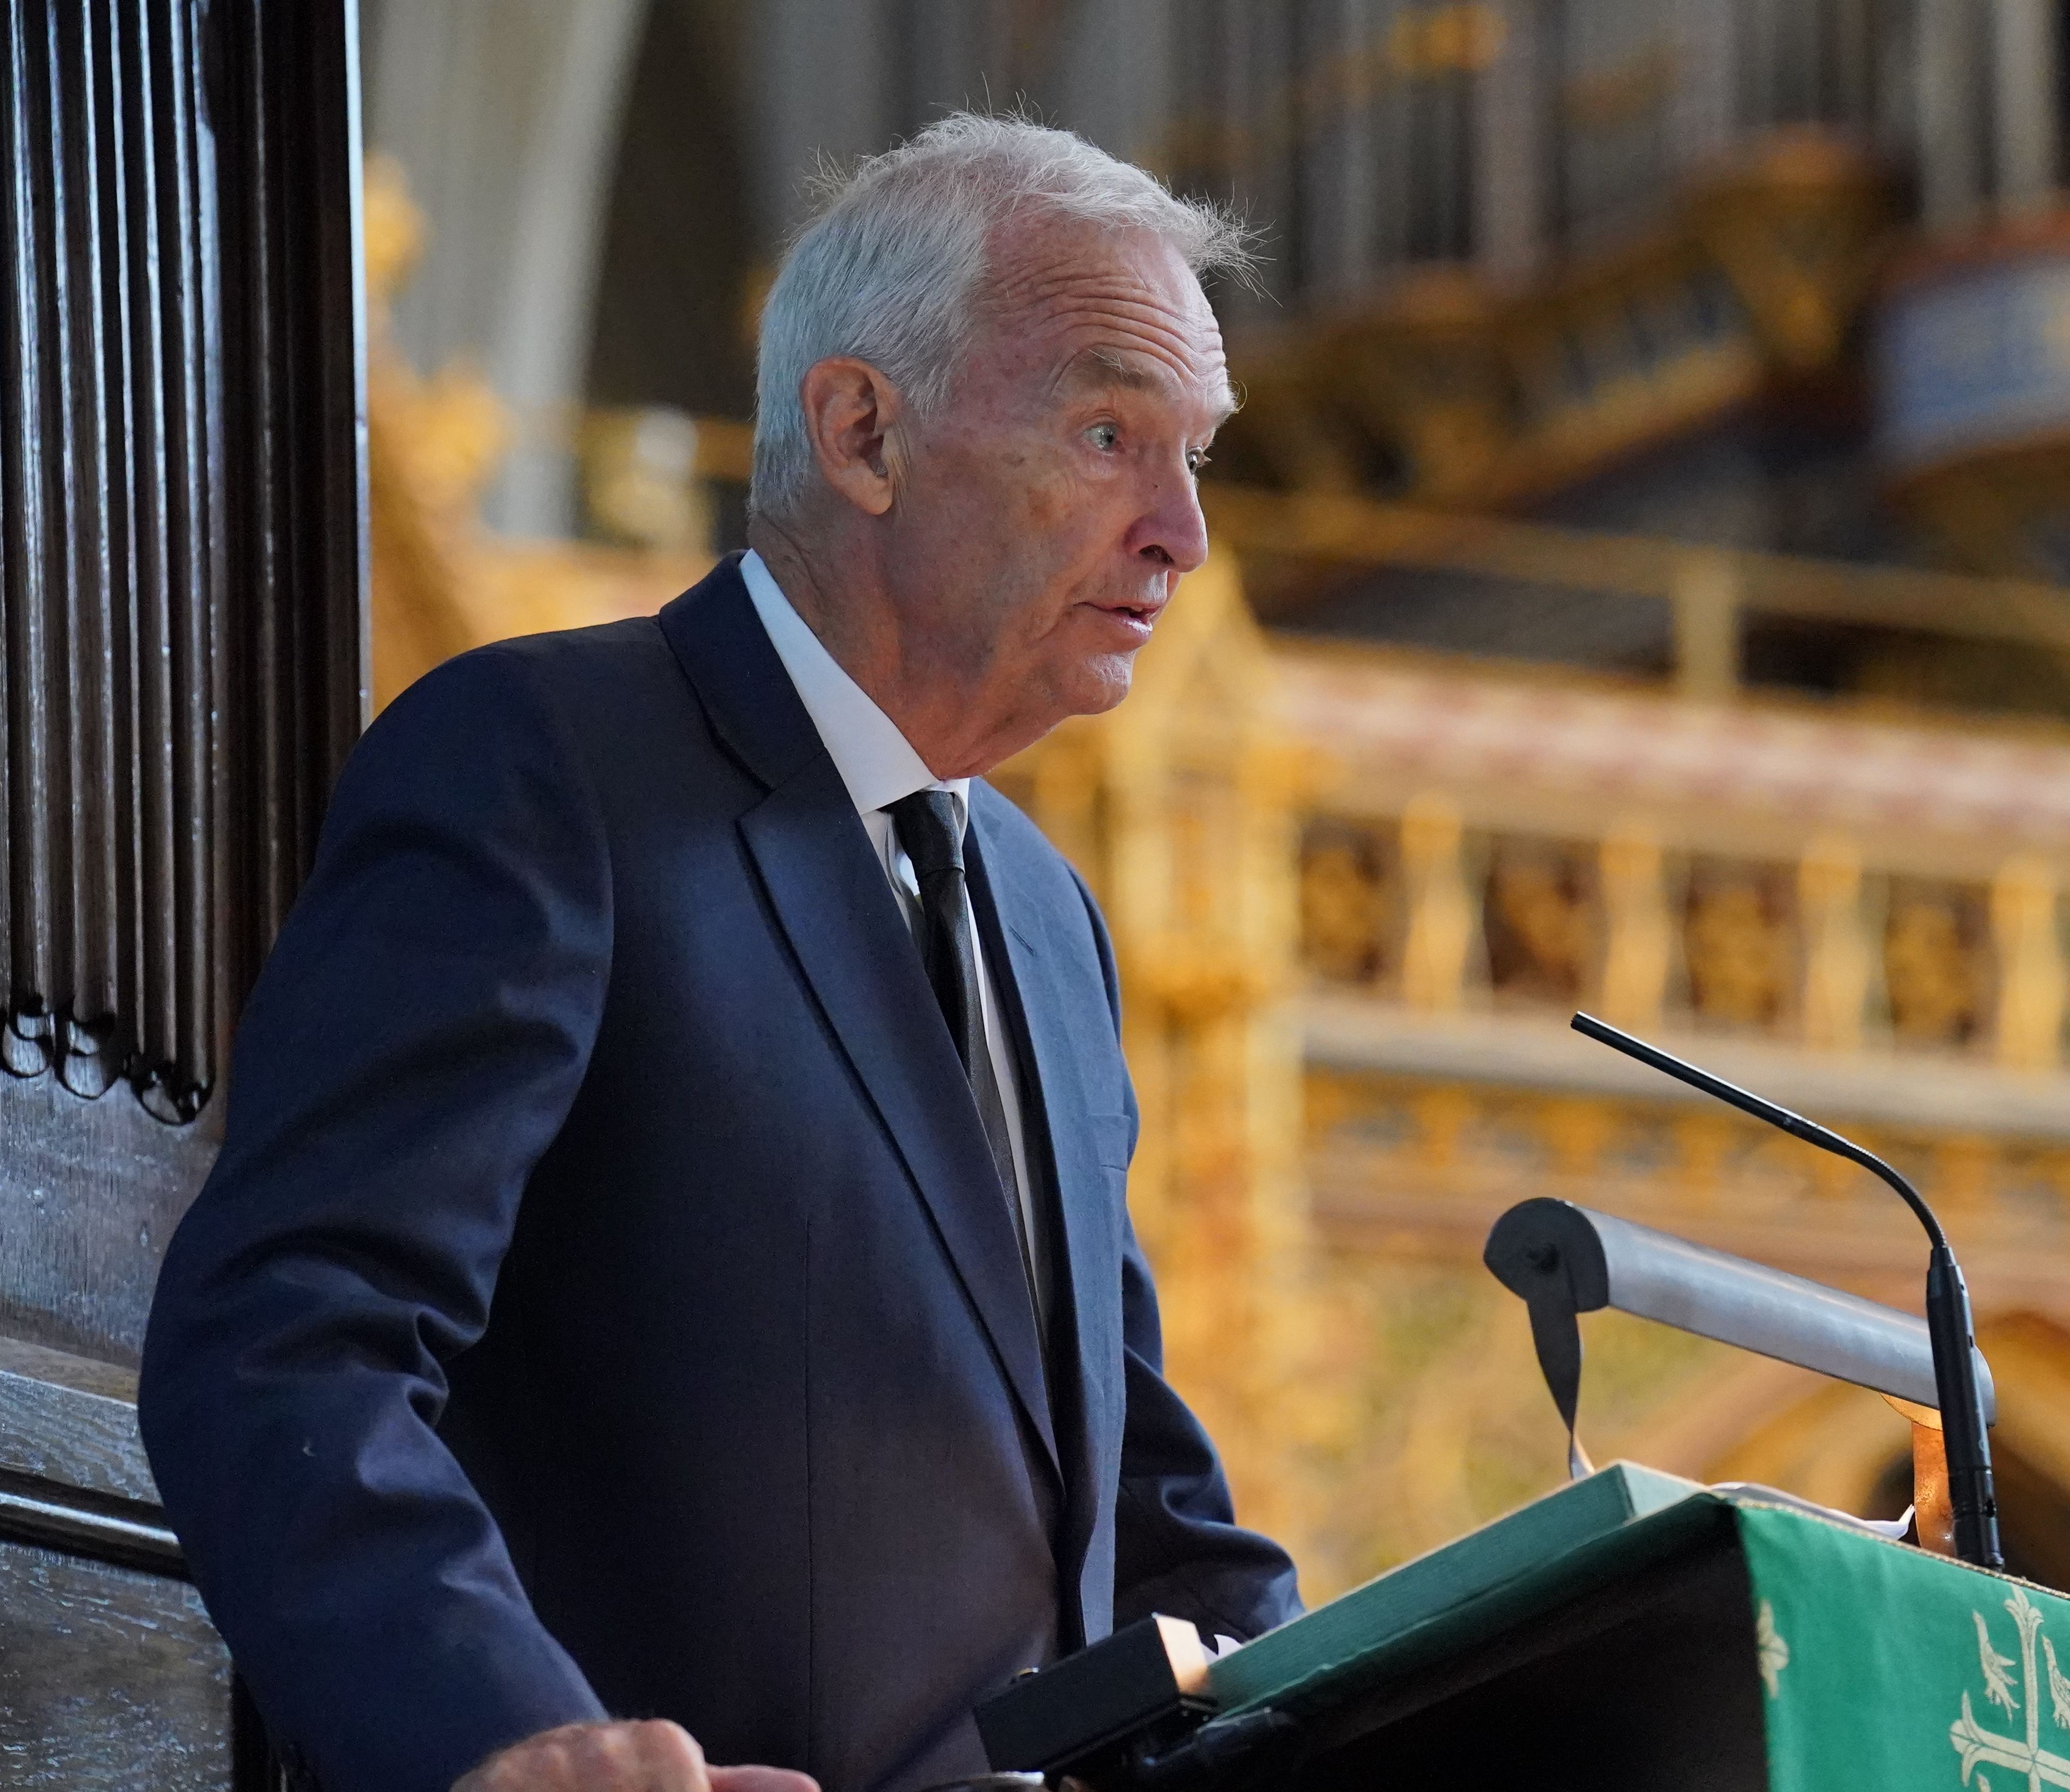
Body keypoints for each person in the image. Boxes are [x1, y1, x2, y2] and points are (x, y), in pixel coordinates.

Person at [138, 115, 1302, 1792]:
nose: (1181, 532)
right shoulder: (546, 764)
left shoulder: (1049, 917)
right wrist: (512, 1735)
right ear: (860, 430)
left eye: (1198, 456)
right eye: (1113, 430)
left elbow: (1148, 1521)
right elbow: (288, 1333)